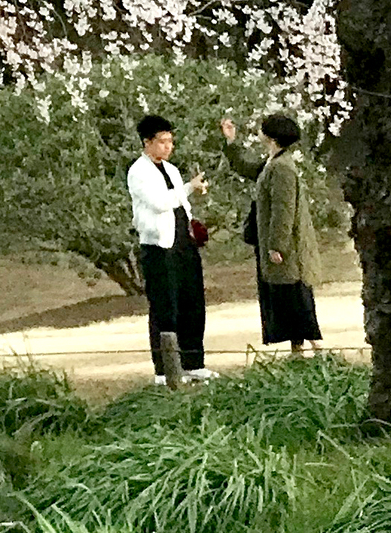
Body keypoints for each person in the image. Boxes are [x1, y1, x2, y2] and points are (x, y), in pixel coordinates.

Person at [223, 113, 324, 357]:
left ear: (270, 137)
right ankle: (297, 349)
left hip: (287, 246)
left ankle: (318, 348)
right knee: (284, 294)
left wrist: (277, 244)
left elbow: (283, 209)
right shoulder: (273, 162)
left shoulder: (282, 168)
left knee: (295, 294)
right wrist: (231, 143)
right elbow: (247, 168)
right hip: (275, 243)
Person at [127, 114, 215, 385]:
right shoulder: (138, 172)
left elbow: (181, 206)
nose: (167, 147)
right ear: (147, 142)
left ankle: (193, 362)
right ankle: (165, 370)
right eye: (162, 141)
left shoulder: (171, 169)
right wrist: (189, 187)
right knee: (166, 306)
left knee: (192, 300)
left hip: (182, 242)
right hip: (158, 245)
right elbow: (160, 202)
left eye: (170, 141)